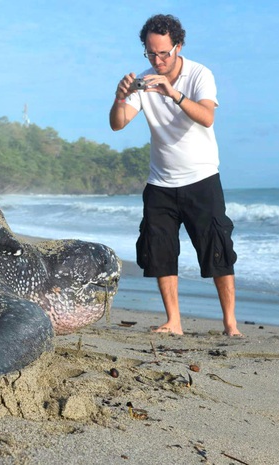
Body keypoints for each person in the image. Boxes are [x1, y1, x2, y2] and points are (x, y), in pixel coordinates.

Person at [109, 14, 241, 337]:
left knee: (217, 250)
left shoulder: (200, 75)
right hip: (160, 183)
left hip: (202, 179)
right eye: (150, 54)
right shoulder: (145, 80)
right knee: (160, 251)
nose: (157, 60)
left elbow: (207, 117)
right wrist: (119, 97)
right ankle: (174, 321)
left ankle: (230, 323)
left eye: (163, 53)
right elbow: (118, 123)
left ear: (178, 46)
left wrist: (173, 94)